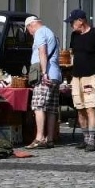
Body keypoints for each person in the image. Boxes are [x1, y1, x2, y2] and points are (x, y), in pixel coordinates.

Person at [65, 9, 95, 151]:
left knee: (91, 107)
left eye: (72, 22)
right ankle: (84, 138)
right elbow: (72, 53)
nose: (71, 25)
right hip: (77, 75)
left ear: (80, 21)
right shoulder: (74, 36)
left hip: (92, 75)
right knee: (80, 107)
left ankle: (92, 140)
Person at [25, 14, 60, 147]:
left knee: (38, 106)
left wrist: (44, 73)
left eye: (28, 30)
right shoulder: (51, 32)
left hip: (45, 75)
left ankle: (39, 138)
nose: (30, 33)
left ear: (31, 25)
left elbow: (42, 52)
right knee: (51, 108)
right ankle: (50, 138)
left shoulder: (39, 33)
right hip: (56, 74)